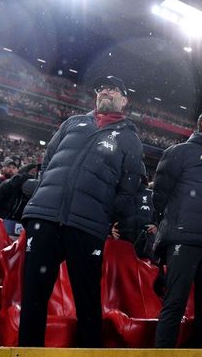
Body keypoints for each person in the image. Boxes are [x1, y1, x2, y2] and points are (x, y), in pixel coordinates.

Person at [18, 75, 143, 347]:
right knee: (33, 296)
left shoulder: (129, 138)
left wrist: (114, 221)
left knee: (87, 300)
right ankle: (28, 353)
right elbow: (49, 161)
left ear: (124, 100)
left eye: (113, 88)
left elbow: (129, 187)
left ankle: (89, 353)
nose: (106, 91)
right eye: (102, 88)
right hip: (46, 217)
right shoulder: (73, 123)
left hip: (87, 225)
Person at [152, 106, 202, 348]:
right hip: (184, 240)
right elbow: (159, 196)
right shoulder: (181, 152)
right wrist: (177, 226)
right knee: (175, 303)